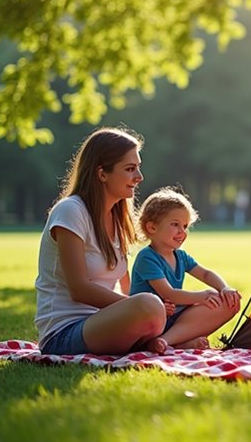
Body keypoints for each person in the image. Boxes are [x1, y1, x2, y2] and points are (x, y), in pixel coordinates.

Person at [35, 126, 170, 355]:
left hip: (104, 323)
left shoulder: (117, 218)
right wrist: (140, 307)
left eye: (138, 168)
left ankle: (162, 337)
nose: (139, 177)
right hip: (64, 334)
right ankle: (162, 337)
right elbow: (79, 289)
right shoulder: (70, 210)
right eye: (130, 169)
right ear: (102, 173)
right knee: (149, 305)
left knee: (211, 303)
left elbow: (126, 286)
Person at [130, 187, 241, 351]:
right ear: (152, 228)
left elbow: (205, 274)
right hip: (150, 321)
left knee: (226, 303)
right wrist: (201, 296)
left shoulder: (180, 256)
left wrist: (224, 288)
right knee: (209, 296)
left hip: (173, 318)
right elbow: (169, 294)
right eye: (175, 224)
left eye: (185, 226)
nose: (182, 232)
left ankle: (168, 342)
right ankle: (166, 342)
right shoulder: (147, 258)